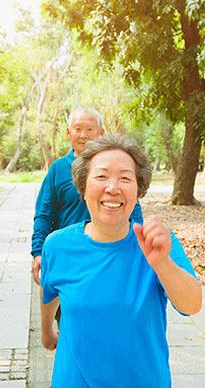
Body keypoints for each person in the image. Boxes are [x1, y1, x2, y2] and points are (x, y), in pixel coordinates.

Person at [39, 134, 202, 388]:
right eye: (101, 176)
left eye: (125, 178)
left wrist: (162, 263)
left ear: (138, 190)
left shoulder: (157, 244)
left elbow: (192, 304)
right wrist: (46, 331)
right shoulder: (58, 246)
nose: (113, 187)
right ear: (83, 187)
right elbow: (50, 292)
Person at [30, 107, 143, 286]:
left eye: (90, 129)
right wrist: (38, 252)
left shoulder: (116, 166)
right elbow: (44, 214)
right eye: (78, 129)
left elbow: (133, 210)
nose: (84, 135)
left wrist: (140, 245)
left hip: (112, 254)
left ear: (101, 133)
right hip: (69, 255)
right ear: (68, 133)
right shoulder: (57, 169)